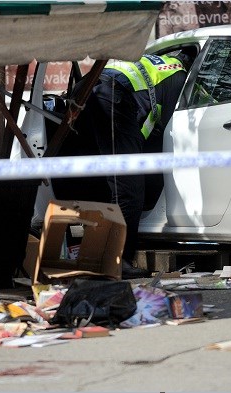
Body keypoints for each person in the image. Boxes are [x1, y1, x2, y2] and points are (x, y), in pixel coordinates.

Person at [53, 52, 192, 279]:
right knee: (128, 187)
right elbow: (170, 128)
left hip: (86, 91)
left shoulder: (155, 62)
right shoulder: (179, 75)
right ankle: (117, 262)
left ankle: (90, 255)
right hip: (112, 98)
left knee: (98, 181)